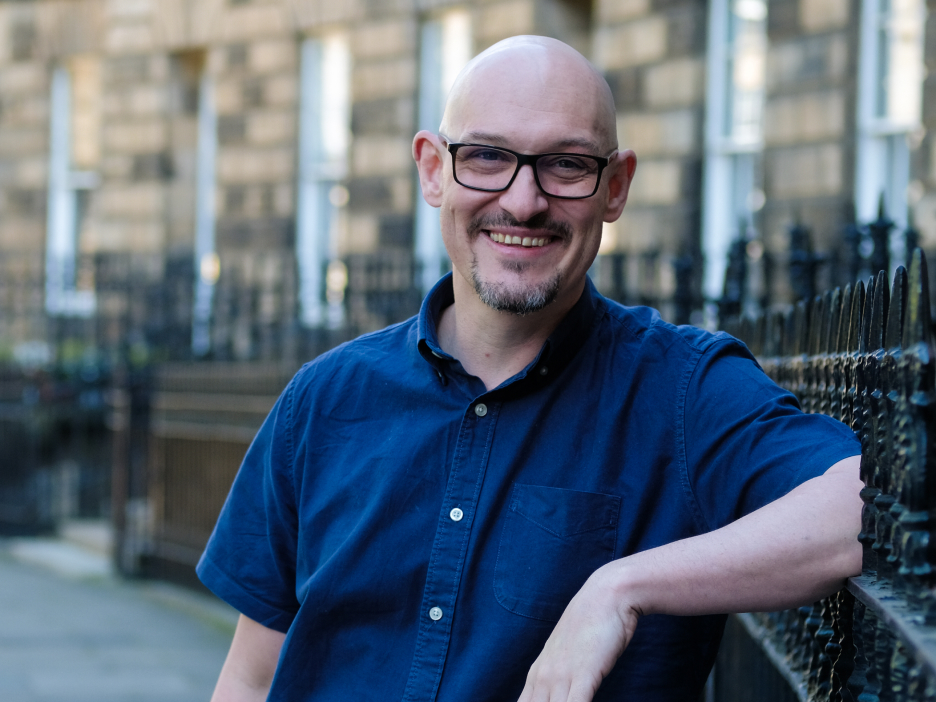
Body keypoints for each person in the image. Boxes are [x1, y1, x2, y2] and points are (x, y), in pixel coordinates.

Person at [198, 35, 862, 702]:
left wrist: (620, 588)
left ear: (616, 186)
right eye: (486, 156)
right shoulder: (323, 400)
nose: (523, 201)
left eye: (566, 165)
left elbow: (879, 508)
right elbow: (252, 680)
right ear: (432, 170)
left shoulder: (683, 390)